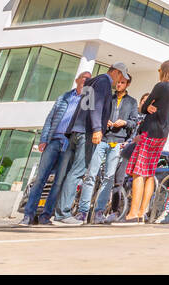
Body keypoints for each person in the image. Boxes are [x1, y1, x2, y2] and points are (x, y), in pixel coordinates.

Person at [56, 62, 131, 224]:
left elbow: (84, 106)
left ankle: (61, 210)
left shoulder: (93, 81)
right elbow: (96, 107)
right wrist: (97, 128)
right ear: (116, 72)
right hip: (87, 131)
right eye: (120, 76)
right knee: (78, 172)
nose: (118, 81)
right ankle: (64, 213)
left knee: (71, 172)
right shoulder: (104, 82)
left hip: (76, 129)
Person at [20, 72, 91, 226]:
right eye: (83, 77)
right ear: (77, 80)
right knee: (40, 180)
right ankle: (28, 215)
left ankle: (46, 216)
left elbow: (88, 120)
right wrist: (43, 139)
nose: (86, 80)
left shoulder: (87, 100)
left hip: (69, 144)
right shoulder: (64, 97)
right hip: (53, 141)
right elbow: (50, 119)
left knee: (58, 182)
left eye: (89, 79)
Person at [120, 59, 169, 223]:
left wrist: (148, 107)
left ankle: (133, 213)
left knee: (138, 172)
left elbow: (143, 107)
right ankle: (142, 212)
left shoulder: (161, 86)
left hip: (150, 132)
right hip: (162, 134)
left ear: (163, 71)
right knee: (150, 173)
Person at [86, 65, 138, 222]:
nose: (119, 84)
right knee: (91, 174)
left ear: (128, 84)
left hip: (118, 141)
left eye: (123, 82)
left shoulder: (132, 102)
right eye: (119, 82)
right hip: (103, 138)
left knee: (109, 177)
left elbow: (134, 122)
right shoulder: (109, 96)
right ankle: (84, 210)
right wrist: (104, 122)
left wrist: (124, 122)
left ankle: (99, 212)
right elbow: (99, 111)